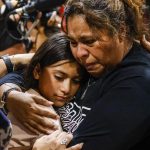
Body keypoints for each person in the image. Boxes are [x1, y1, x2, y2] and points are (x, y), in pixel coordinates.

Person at [1, 0, 150, 149]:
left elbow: (73, 147)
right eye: (72, 42)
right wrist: (10, 93)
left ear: (121, 30)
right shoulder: (95, 57)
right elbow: (31, 72)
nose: (79, 53)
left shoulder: (137, 83)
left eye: (89, 41)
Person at [6, 32, 87, 150]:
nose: (66, 89)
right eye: (59, 77)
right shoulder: (36, 111)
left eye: (76, 81)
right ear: (37, 71)